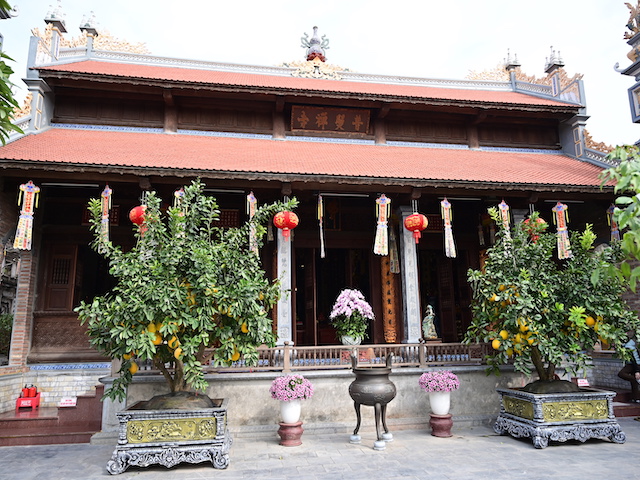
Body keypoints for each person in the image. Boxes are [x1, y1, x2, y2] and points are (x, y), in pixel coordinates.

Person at [618, 332, 640, 403]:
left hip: (633, 364)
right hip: (634, 364)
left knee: (621, 374)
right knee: (634, 383)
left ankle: (635, 380)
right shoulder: (630, 345)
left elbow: (633, 359)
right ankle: (636, 398)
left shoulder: (628, 347)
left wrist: (637, 371)